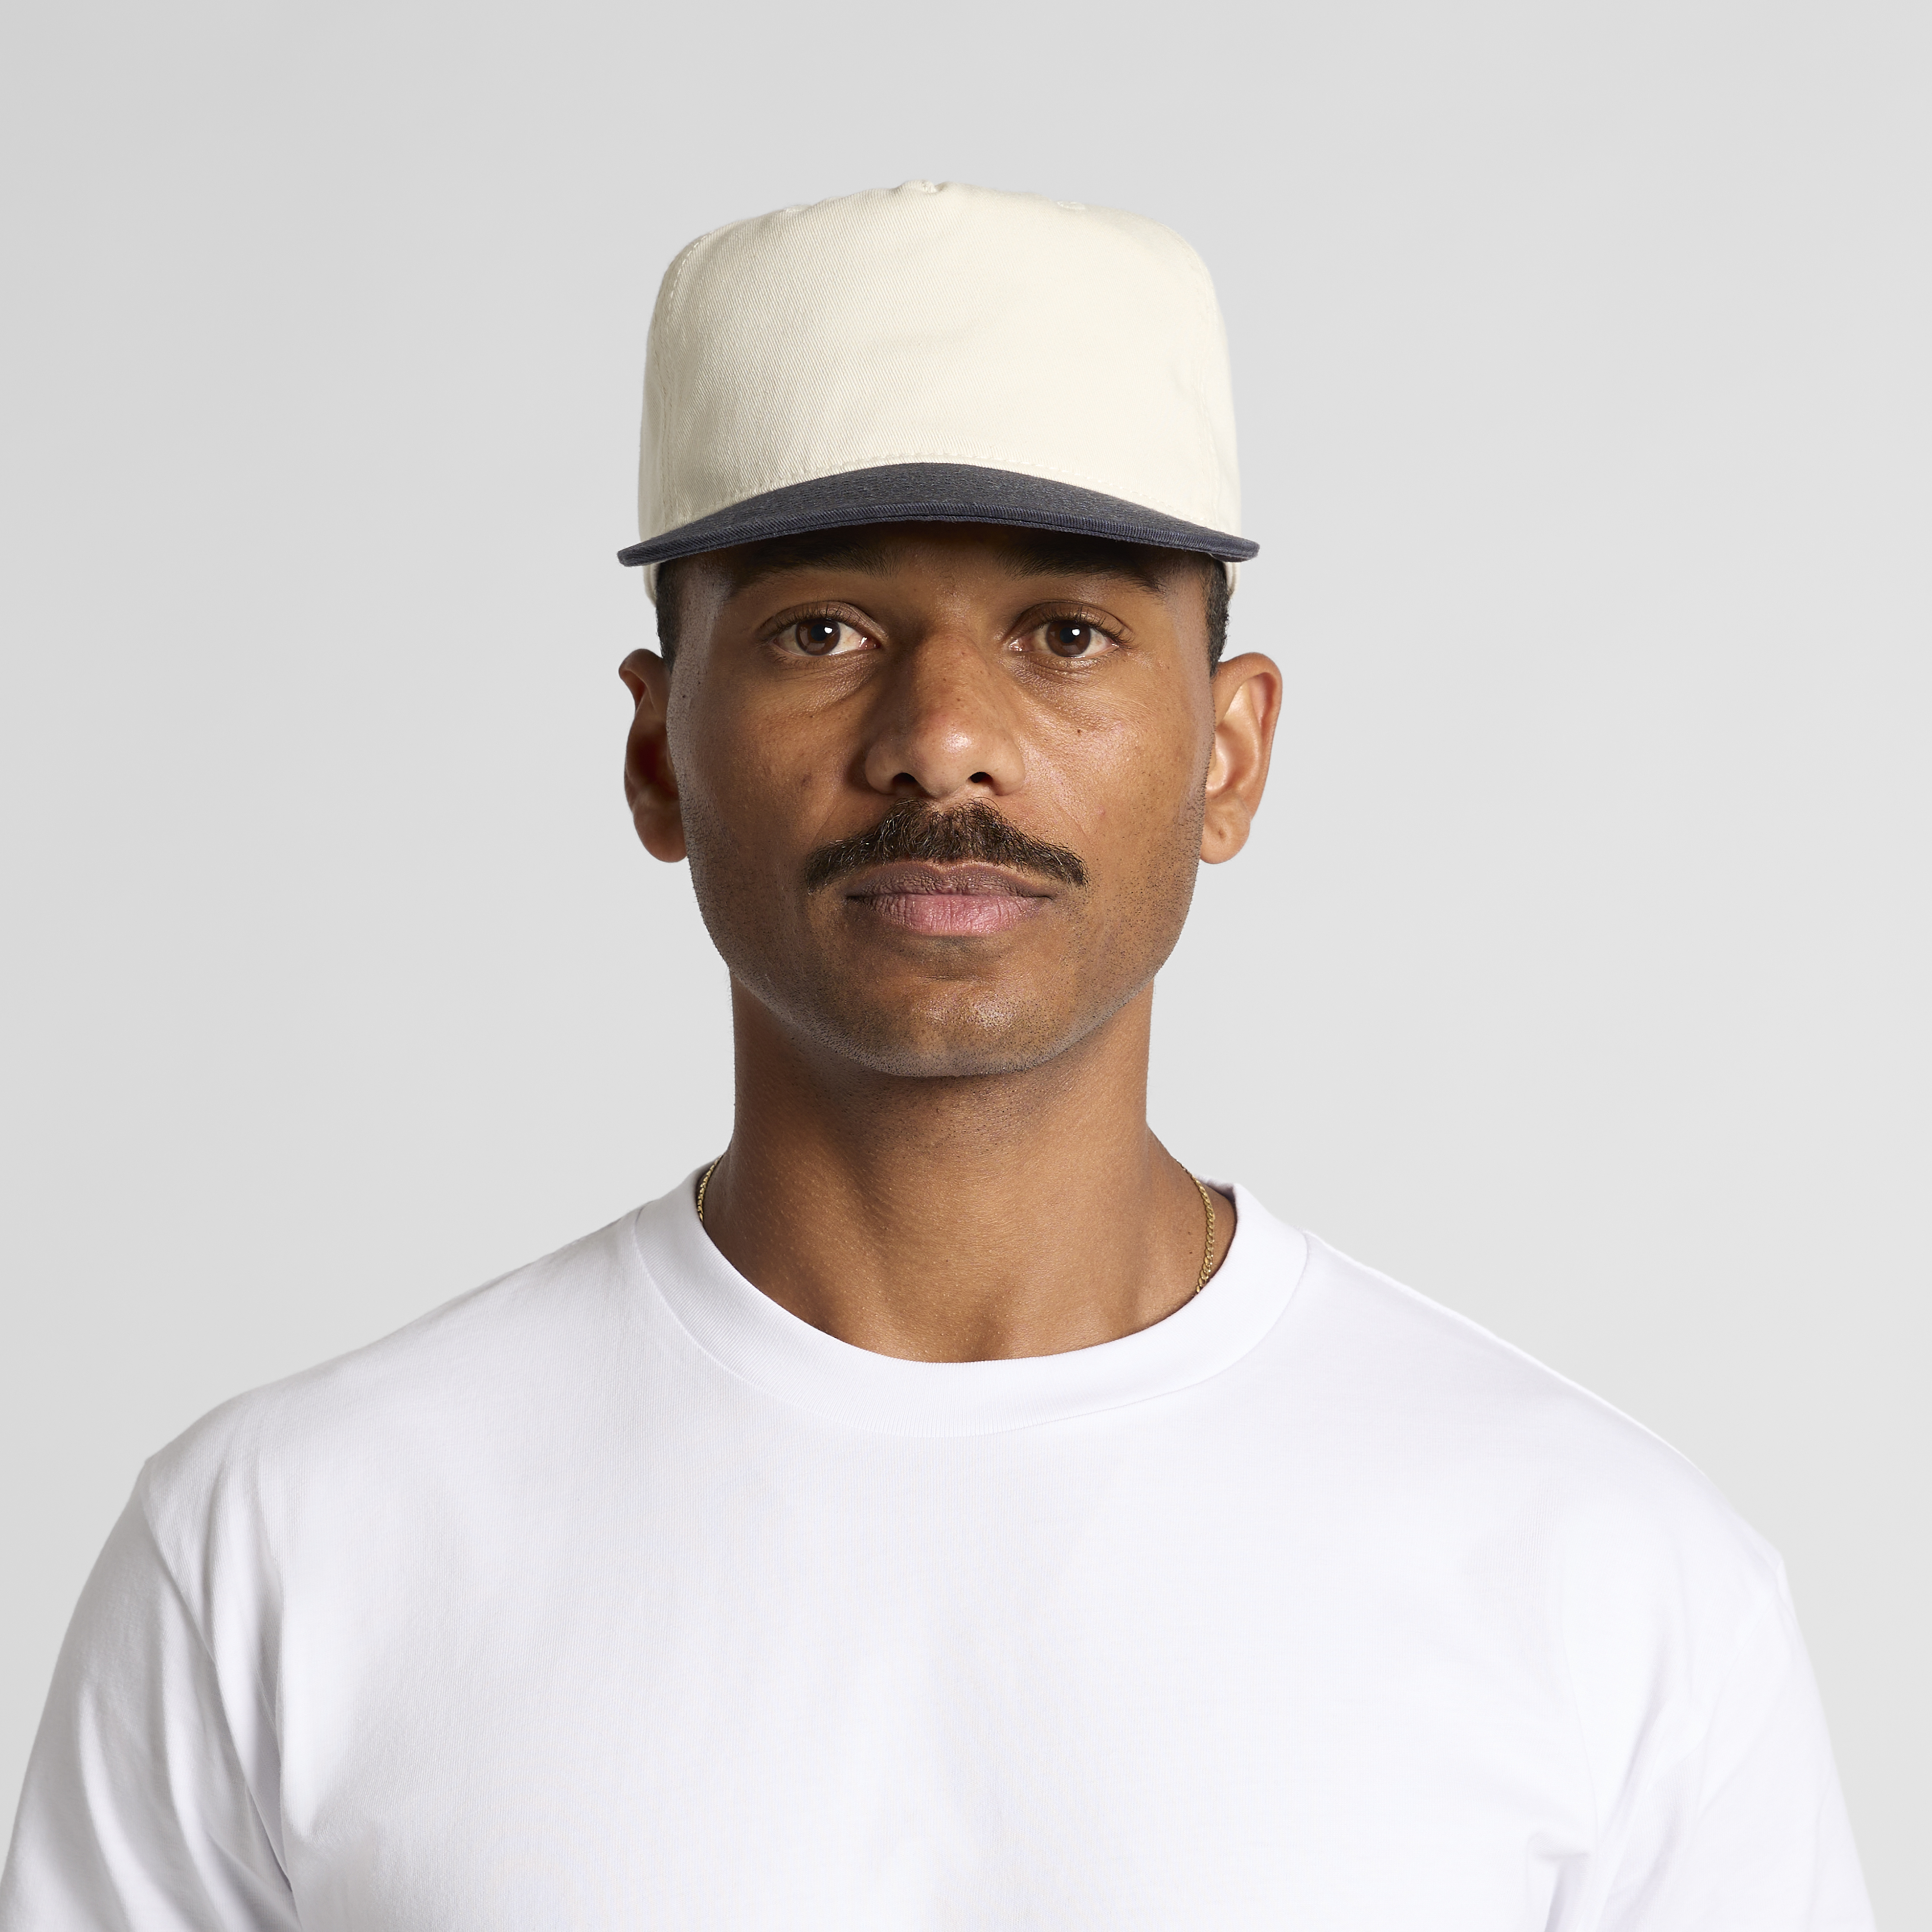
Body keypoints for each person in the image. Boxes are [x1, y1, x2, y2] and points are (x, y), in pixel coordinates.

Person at [0, 182, 1873, 1931]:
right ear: (659, 755)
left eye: (1067, 632)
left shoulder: (1607, 1580)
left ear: (1229, 755)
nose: (943, 738)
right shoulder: (286, 1551)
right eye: (824, 629)